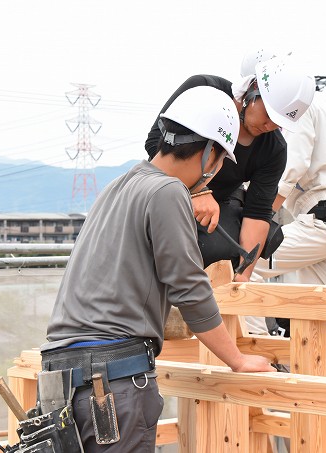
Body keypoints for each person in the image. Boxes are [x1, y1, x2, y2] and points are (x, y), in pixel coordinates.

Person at [41, 86, 274, 453]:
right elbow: (189, 287)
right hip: (112, 381)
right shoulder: (168, 192)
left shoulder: (119, 186)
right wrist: (238, 359)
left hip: (61, 377)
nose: (215, 172)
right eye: (219, 162)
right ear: (210, 152)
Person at [144, 55, 316, 283]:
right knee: (151, 241)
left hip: (222, 201)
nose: (270, 126)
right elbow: (156, 142)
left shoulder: (273, 149)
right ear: (253, 89)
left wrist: (243, 274)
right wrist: (197, 191)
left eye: (279, 123)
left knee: (218, 252)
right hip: (165, 183)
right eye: (269, 115)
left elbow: (258, 213)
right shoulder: (203, 90)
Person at [249, 88, 326, 387]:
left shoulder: (299, 105)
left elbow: (289, 167)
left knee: (246, 263)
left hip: (320, 218)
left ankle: (257, 354)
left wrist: (258, 220)